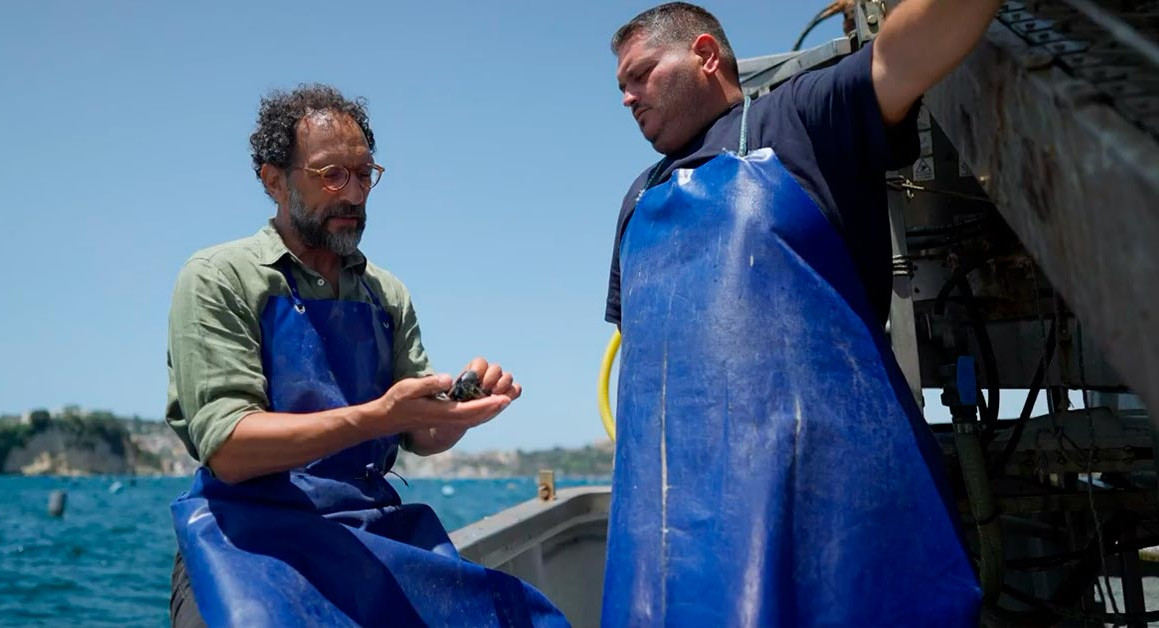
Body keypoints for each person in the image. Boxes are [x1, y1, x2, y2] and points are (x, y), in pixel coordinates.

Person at [602, 2, 1003, 626]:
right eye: (621, 85)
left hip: (833, 511)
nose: (628, 97)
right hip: (679, 536)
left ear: (706, 55)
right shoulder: (638, 198)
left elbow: (909, 51)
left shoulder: (798, 118)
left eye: (642, 74)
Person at [164, 84, 566, 628]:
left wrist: (459, 414)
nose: (353, 193)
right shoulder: (219, 278)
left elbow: (419, 436)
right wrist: (380, 416)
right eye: (331, 174)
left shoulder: (385, 293)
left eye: (364, 174)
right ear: (274, 179)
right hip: (248, 539)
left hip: (368, 530)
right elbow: (231, 450)